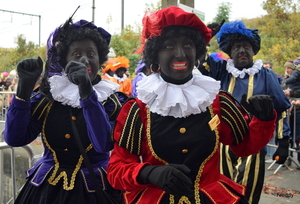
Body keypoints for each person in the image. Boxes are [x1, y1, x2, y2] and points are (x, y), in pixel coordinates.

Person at [107, 6, 276, 204]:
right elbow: (116, 170)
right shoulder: (138, 109)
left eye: (188, 45)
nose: (180, 54)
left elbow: (244, 147)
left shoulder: (218, 101)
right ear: (156, 54)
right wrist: (148, 173)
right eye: (169, 47)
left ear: (197, 51)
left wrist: (263, 121)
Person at [4, 17, 127, 204]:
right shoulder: (48, 97)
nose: (85, 60)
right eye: (76, 54)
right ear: (65, 60)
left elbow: (103, 144)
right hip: (45, 191)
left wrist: (87, 93)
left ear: (100, 59)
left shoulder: (113, 101)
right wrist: (24, 90)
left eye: (91, 54)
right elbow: (15, 138)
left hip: (94, 191)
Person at [198, 21, 291, 204]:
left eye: (246, 47)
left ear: (253, 50)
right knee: (220, 190)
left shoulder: (266, 75)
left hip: (253, 143)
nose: (242, 50)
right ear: (230, 52)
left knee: (247, 191)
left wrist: (283, 141)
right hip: (222, 142)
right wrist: (205, 37)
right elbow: (201, 61)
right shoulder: (221, 71)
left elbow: (280, 108)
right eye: (237, 47)